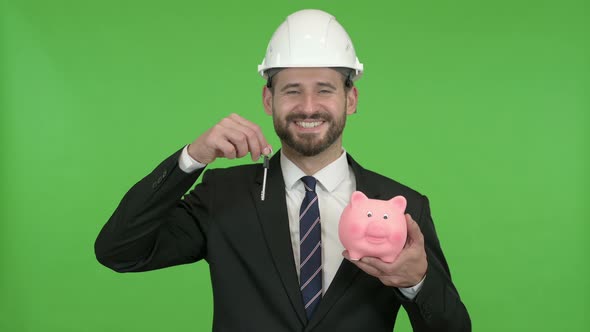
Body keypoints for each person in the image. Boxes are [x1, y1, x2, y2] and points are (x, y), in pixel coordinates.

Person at [95, 9, 471, 331]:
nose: (308, 107)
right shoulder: (223, 196)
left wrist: (416, 282)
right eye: (292, 90)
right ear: (268, 99)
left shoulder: (403, 208)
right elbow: (119, 251)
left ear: (350, 99)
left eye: (324, 89)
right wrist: (192, 158)